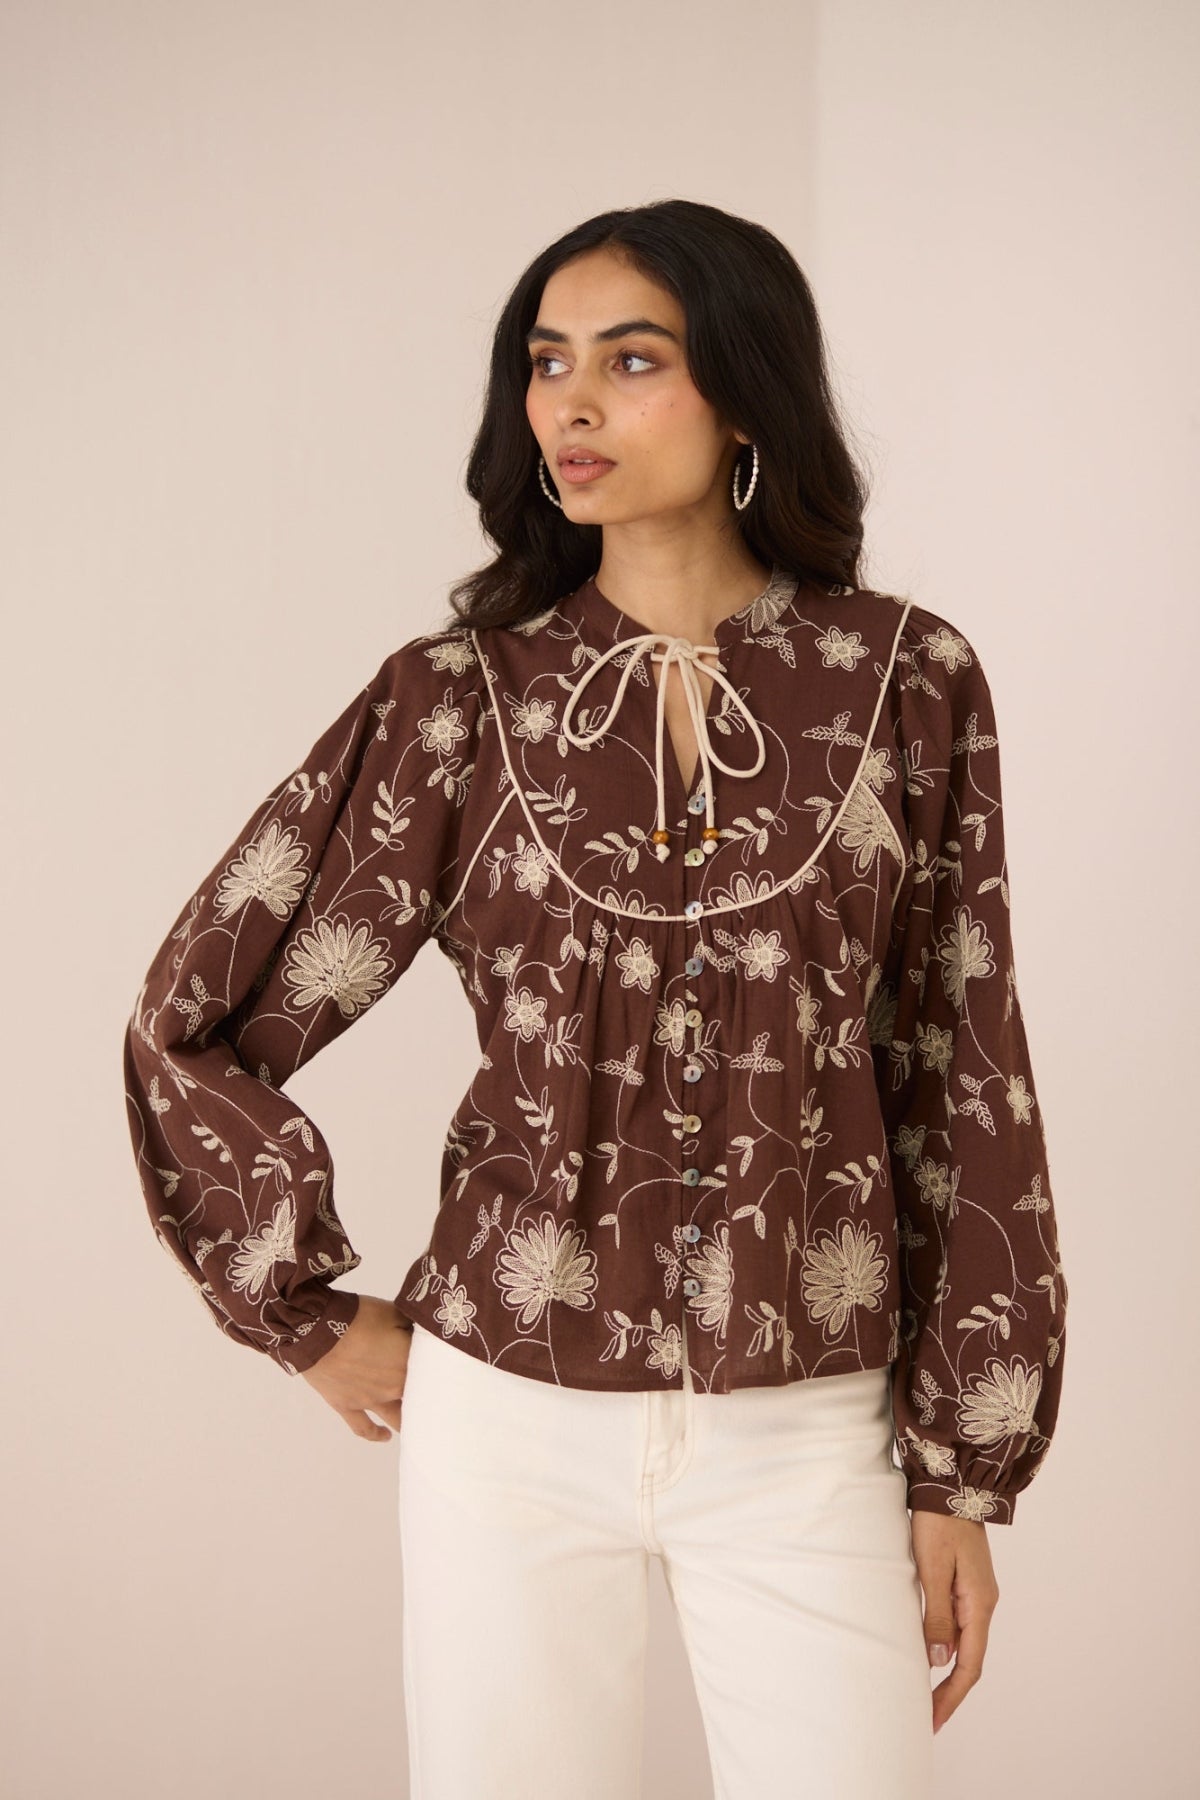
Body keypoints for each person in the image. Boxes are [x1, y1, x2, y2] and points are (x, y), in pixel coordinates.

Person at [122, 198, 1068, 1798]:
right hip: (508, 1416)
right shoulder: (458, 700)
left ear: (747, 394)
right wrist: (299, 1312)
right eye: (545, 364)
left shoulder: (907, 680)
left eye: (632, 362)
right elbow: (194, 1011)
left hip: (811, 1421)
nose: (568, 403)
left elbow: (962, 1067)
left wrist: (965, 1472)